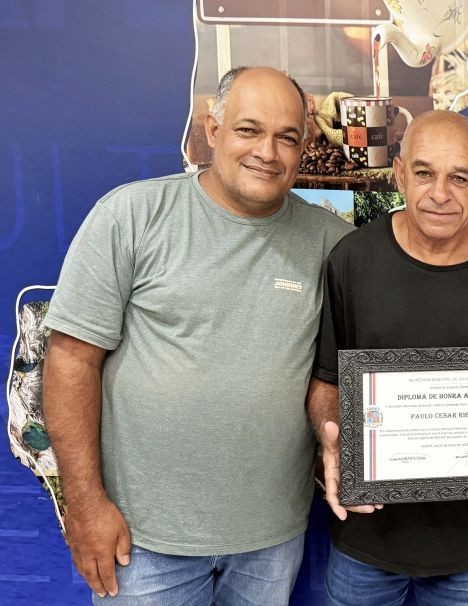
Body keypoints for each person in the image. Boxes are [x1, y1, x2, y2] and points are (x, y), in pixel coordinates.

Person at [40, 67, 355, 603]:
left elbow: (410, 272)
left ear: (304, 147)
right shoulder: (131, 215)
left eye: (286, 137)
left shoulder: (332, 242)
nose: (267, 152)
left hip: (271, 540)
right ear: (213, 129)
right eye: (249, 130)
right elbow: (71, 360)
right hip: (141, 541)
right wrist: (85, 503)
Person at [305, 110, 468, 606]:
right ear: (399, 173)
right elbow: (327, 381)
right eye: (424, 173)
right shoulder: (352, 260)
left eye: (459, 178)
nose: (440, 193)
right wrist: (331, 438)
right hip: (365, 543)